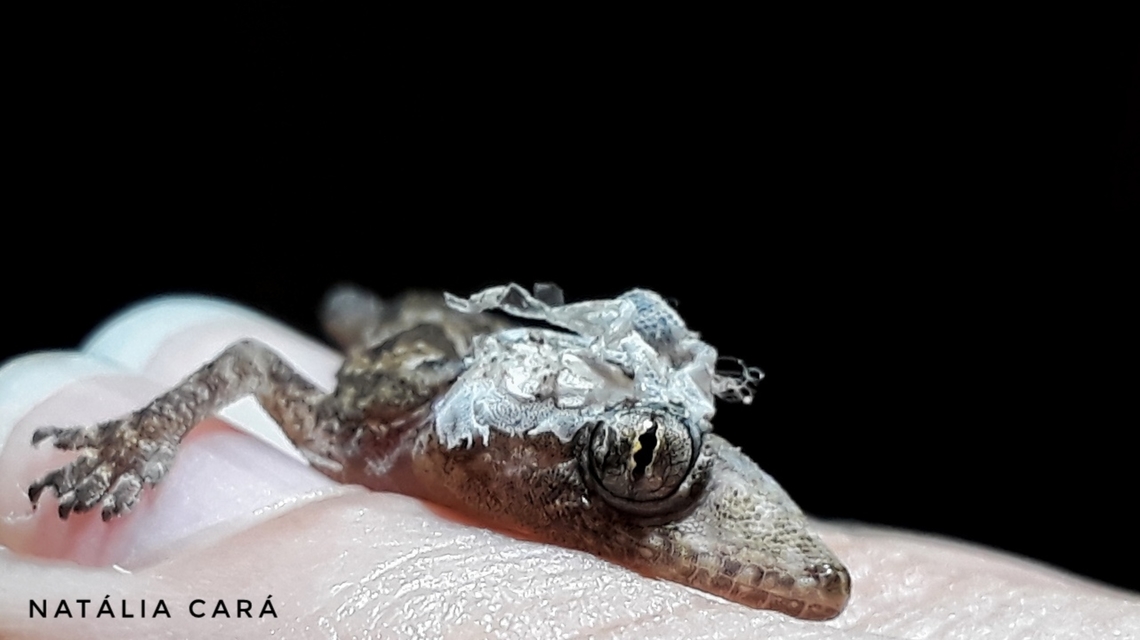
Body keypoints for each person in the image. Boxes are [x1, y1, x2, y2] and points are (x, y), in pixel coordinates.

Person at [0, 297, 1134, 638]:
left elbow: (819, 587)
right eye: (638, 463)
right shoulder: (369, 424)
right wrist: (137, 444)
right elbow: (249, 356)